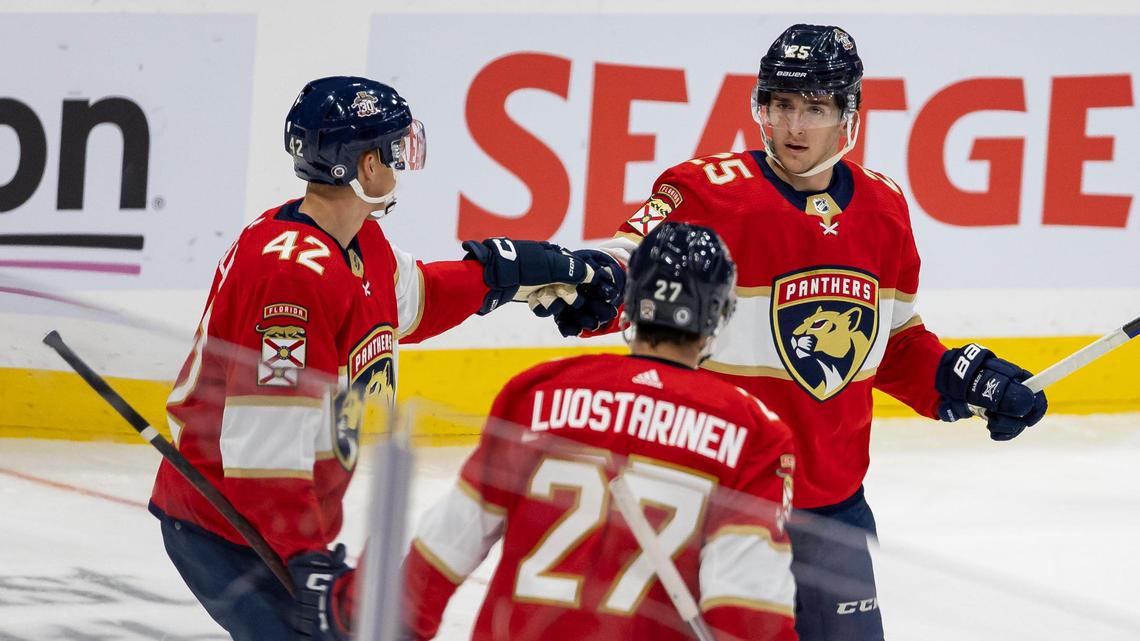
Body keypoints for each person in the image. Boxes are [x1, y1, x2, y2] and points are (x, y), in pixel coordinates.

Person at [550, 25, 1048, 641]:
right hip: (721, 506)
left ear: (849, 116)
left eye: (816, 107)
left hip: (834, 507)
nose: (794, 125)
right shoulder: (707, 191)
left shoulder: (885, 206)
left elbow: (892, 344)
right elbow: (628, 262)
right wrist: (594, 281)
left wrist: (962, 380)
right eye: (782, 104)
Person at [148, 76, 622, 641]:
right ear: (364, 165)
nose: (403, 161)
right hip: (231, 527)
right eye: (396, 148)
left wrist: (514, 272)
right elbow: (264, 449)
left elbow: (419, 300)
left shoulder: (357, 242)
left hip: (276, 519)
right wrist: (306, 558)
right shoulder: (290, 278)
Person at [403, 222, 799, 641]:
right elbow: (748, 615)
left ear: (630, 302)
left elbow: (442, 546)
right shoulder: (753, 433)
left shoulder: (539, 393)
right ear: (719, 314)